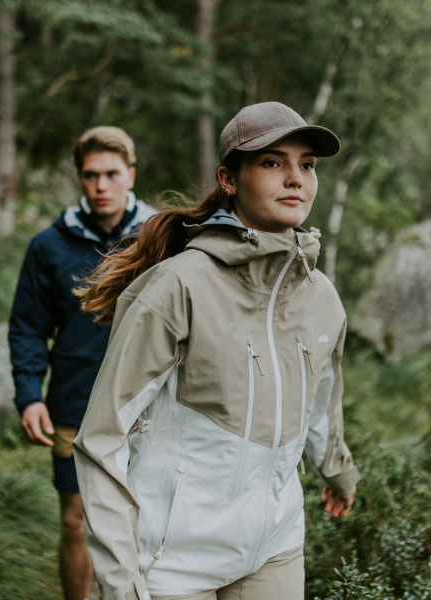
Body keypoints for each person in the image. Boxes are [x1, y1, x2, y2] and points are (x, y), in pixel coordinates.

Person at [72, 102, 361, 600]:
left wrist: (336, 469)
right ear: (229, 178)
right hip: (172, 560)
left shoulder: (322, 298)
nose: (295, 178)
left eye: (307, 164)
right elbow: (101, 440)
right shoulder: (176, 286)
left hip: (276, 547)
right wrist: (120, 581)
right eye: (273, 162)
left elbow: (319, 401)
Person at [8, 126, 156, 600]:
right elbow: (28, 327)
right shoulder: (48, 246)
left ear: (130, 174)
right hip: (73, 405)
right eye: (91, 175)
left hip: (148, 405)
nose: (101, 186)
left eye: (112, 174)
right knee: (76, 522)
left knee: (149, 520)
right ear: (79, 177)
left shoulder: (160, 237)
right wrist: (30, 394)